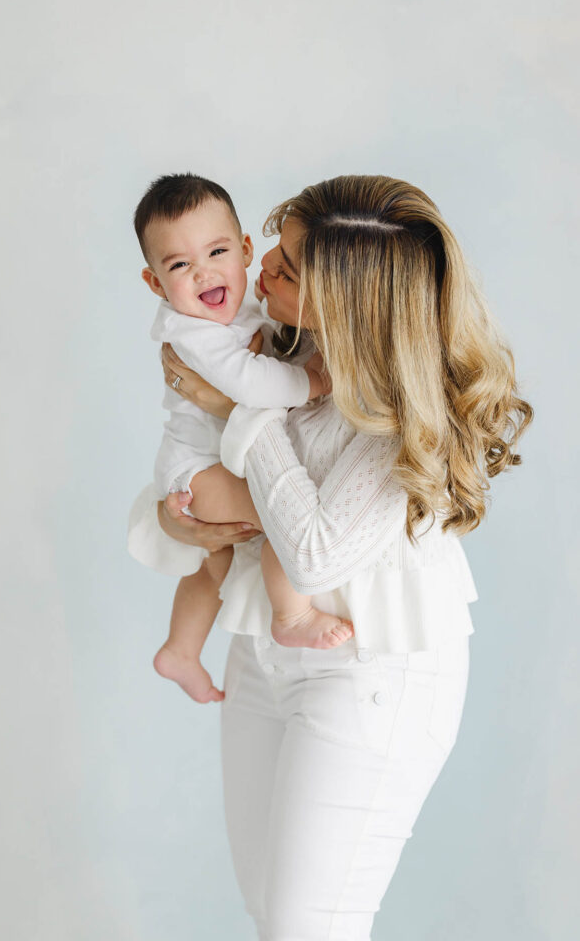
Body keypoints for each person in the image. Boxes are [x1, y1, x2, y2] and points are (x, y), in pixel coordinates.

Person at [128, 174, 532, 940]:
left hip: (373, 667)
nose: (260, 269)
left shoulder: (404, 414)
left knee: (308, 925)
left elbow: (311, 554)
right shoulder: (265, 345)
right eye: (274, 250)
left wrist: (244, 412)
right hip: (264, 650)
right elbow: (195, 489)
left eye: (286, 264)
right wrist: (183, 521)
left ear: (348, 299)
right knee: (267, 911)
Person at [132, 174, 353, 705]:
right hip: (200, 469)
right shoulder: (193, 332)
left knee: (217, 564)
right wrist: (314, 382)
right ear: (156, 284)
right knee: (278, 516)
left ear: (246, 250)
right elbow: (253, 384)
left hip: (207, 465)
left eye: (216, 251)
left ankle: (180, 650)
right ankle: (292, 615)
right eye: (180, 265)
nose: (203, 271)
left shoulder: (239, 314)